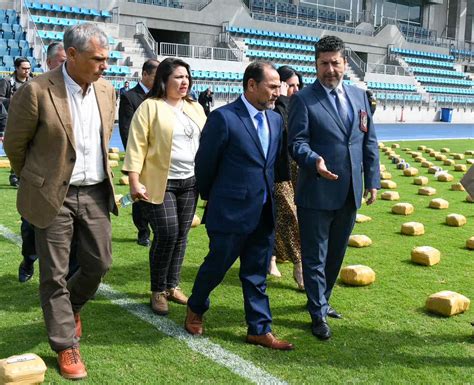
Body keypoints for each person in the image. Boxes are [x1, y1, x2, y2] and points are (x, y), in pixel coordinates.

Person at [4, 23, 117, 379]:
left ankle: (70, 309)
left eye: (107, 58)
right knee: (53, 274)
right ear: (71, 55)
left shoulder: (106, 90)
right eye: (98, 58)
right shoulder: (37, 90)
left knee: (99, 262)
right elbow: (14, 145)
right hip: (53, 194)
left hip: (96, 192)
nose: (105, 65)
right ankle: (65, 345)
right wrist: (38, 179)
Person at [185, 61, 294, 351]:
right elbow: (205, 166)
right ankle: (196, 307)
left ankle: (259, 329)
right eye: (272, 87)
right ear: (251, 85)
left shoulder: (274, 120)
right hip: (229, 212)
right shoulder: (223, 118)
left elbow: (272, 165)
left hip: (263, 212)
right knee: (216, 267)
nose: (277, 93)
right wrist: (217, 199)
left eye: (278, 88)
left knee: (257, 273)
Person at [288, 36, 380, 341]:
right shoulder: (303, 99)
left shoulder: (360, 96)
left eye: (335, 62)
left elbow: (368, 141)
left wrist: (373, 180)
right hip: (316, 190)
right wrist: (314, 160)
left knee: (335, 255)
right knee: (315, 255)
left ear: (345, 63)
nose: (330, 69)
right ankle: (317, 313)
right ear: (316, 64)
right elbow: (296, 143)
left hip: (351, 190)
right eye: (324, 63)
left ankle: (322, 301)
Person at [122, 58, 206, 316]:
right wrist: (134, 180)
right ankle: (158, 290)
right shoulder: (150, 107)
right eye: (178, 77)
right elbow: (137, 145)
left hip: (190, 182)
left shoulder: (195, 107)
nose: (184, 82)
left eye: (187, 77)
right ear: (164, 80)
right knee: (167, 233)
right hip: (160, 182)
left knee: (181, 234)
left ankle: (172, 285)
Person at [16, 41, 78, 284]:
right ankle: (29, 258)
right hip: (40, 178)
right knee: (32, 227)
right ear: (50, 62)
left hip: (72, 178)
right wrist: (28, 173)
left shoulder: (82, 91)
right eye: (63, 61)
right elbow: (17, 141)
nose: (68, 65)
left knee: (74, 232)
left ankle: (72, 278)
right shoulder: (35, 90)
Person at [268, 65, 305, 290]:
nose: (295, 90)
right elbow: (280, 128)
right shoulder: (271, 107)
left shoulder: (298, 105)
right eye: (290, 86)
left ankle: (271, 257)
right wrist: (282, 99)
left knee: (279, 215)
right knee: (288, 213)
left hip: (296, 169)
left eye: (297, 86)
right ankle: (299, 265)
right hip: (277, 171)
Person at [119, 59, 159, 247]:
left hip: (159, 155)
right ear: (144, 74)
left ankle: (158, 228)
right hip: (139, 156)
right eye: (154, 76)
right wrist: (134, 155)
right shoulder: (130, 97)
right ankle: (143, 232)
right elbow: (126, 129)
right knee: (140, 195)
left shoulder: (160, 97)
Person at [0, 57, 32, 188]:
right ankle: (15, 175)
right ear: (16, 68)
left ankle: (20, 175)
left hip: (29, 119)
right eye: (24, 68)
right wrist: (13, 100)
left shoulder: (32, 81)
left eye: (28, 68)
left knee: (29, 148)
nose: (27, 71)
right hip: (11, 119)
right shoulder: (7, 81)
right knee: (16, 149)